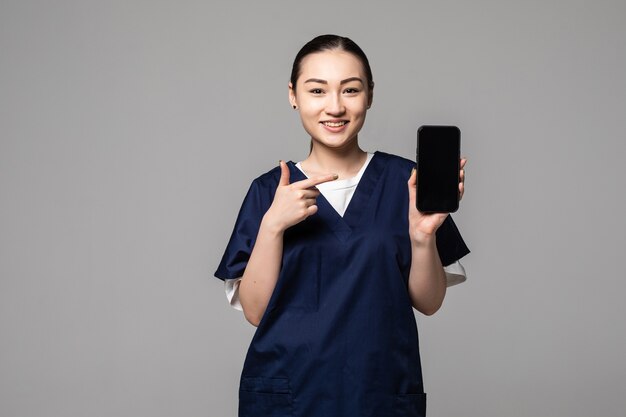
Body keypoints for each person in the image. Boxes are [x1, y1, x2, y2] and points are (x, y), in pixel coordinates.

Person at [214, 34, 470, 417]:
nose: (335, 106)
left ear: (369, 94)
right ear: (293, 95)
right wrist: (272, 226)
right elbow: (255, 311)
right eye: (317, 90)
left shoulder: (407, 183)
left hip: (379, 393)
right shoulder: (270, 191)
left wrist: (421, 236)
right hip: (289, 396)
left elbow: (429, 303)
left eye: (350, 90)